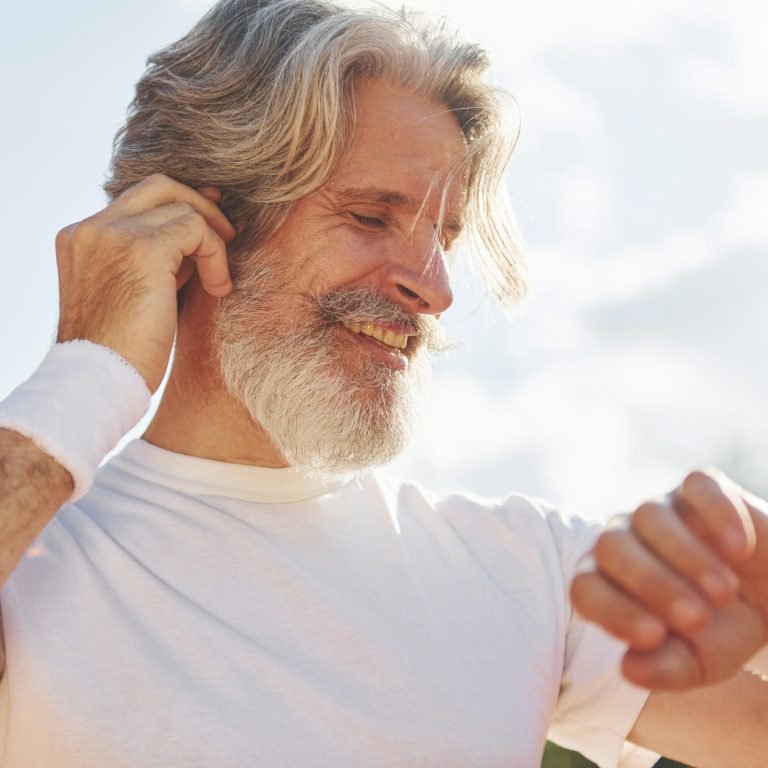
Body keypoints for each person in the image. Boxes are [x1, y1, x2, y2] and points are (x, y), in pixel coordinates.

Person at [0, 0, 765, 766]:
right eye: (371, 216)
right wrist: (89, 369)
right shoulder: (34, 562)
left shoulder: (532, 574)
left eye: (445, 238)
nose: (435, 289)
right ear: (196, 222)